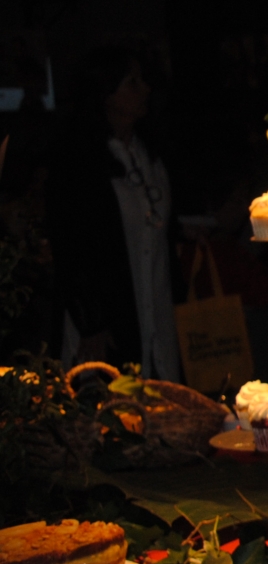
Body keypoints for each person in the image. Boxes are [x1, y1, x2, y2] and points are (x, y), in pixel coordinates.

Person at [48, 46, 181, 380]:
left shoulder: (149, 153)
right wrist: (92, 323)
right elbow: (70, 247)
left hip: (156, 304)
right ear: (104, 93)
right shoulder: (78, 160)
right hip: (108, 316)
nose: (145, 90)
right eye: (132, 83)